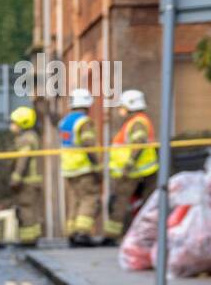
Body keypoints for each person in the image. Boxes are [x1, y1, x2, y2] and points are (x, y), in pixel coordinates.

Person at [104, 88, 158, 242]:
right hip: (139, 170)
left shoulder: (138, 122)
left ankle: (113, 236)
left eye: (122, 106)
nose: (121, 110)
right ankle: (141, 234)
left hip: (134, 171)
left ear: (130, 106)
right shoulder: (136, 121)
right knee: (145, 201)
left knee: (120, 201)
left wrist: (129, 164)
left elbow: (138, 143)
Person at [59, 88, 100, 246]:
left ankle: (71, 231)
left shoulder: (65, 122)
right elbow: (88, 145)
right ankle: (82, 233)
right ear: (87, 105)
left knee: (75, 200)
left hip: (68, 168)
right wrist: (96, 166)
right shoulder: (84, 122)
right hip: (83, 167)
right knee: (89, 199)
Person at [8, 106, 43, 247]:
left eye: (14, 123)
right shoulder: (31, 137)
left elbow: (23, 160)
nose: (12, 126)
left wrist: (16, 177)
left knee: (26, 209)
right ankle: (32, 237)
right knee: (31, 209)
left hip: (27, 181)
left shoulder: (26, 140)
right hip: (32, 181)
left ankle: (28, 240)